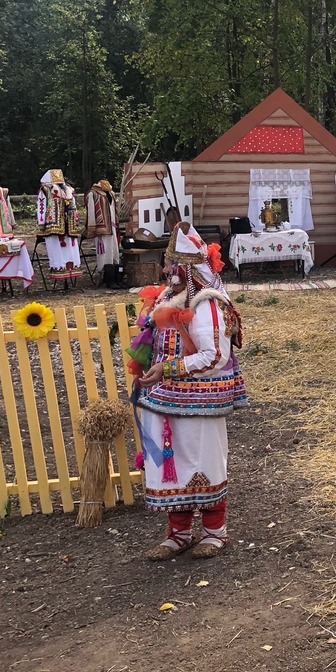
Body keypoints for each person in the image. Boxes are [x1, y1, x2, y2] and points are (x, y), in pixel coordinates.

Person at [134, 224, 246, 561]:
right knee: (173, 465)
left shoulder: (207, 304)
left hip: (200, 400)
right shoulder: (170, 296)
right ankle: (178, 534)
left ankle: (215, 532)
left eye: (171, 265)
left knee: (203, 462)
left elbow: (214, 356)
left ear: (187, 268)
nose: (166, 270)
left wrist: (168, 369)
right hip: (163, 398)